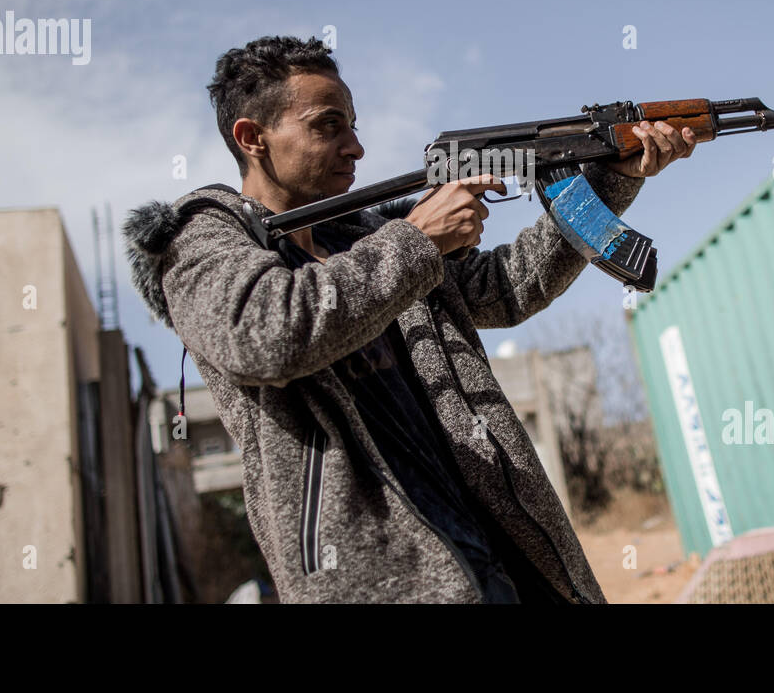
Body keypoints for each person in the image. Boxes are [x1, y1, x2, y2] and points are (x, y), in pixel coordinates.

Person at [123, 35, 699, 603]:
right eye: (328, 126)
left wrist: (612, 179)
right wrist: (418, 238)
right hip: (379, 575)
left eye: (353, 124)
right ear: (252, 137)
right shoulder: (203, 236)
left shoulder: (366, 236)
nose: (356, 148)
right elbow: (266, 334)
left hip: (501, 542)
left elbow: (506, 289)